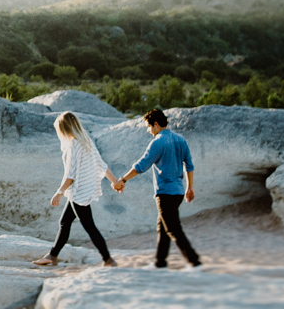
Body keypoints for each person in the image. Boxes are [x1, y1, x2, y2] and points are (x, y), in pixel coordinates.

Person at [114, 108, 203, 268]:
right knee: (163, 227)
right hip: (178, 192)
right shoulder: (180, 139)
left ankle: (195, 262)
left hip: (165, 193)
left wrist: (123, 180)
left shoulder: (158, 142)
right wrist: (190, 187)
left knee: (173, 229)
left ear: (155, 124)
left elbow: (141, 165)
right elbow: (189, 165)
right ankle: (159, 263)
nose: (149, 131)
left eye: (149, 127)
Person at [33, 112, 120, 268]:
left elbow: (70, 175)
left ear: (64, 129)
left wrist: (59, 193)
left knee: (89, 227)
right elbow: (102, 165)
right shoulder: (86, 141)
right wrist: (115, 182)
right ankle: (52, 256)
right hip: (83, 191)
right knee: (64, 223)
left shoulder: (74, 144)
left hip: (78, 193)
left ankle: (108, 259)